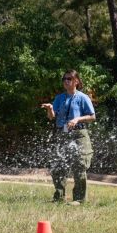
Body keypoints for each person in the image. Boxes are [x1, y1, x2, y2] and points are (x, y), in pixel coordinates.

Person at [41, 69, 96, 205]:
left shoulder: (83, 98)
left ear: (76, 81)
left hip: (79, 135)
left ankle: (79, 199)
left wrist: (77, 119)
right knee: (58, 165)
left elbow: (92, 116)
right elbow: (52, 117)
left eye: (69, 79)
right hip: (62, 133)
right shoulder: (59, 98)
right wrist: (50, 109)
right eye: (64, 79)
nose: (66, 81)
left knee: (79, 164)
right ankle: (59, 197)